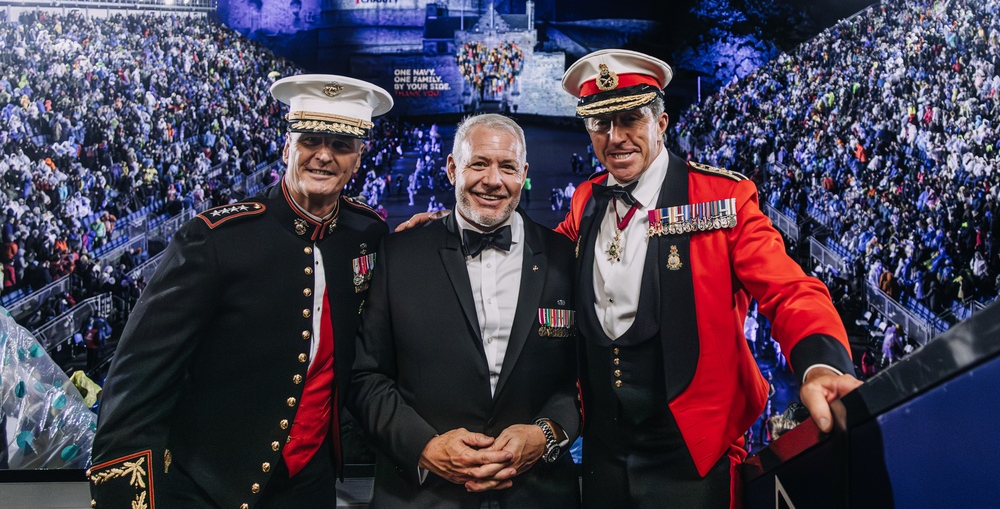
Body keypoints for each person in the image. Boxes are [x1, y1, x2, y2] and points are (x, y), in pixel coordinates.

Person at [553, 49, 862, 508]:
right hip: (603, 455)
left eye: (630, 119)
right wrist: (452, 226)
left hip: (693, 457)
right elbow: (540, 255)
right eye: (601, 123)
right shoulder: (587, 199)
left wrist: (821, 364)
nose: (615, 138)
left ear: (661, 122)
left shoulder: (723, 198)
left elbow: (789, 289)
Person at [88, 74, 393, 509]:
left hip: (311, 485)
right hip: (206, 486)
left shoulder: (368, 232)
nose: (324, 155)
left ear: (358, 158)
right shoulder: (215, 239)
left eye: (341, 145)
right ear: (288, 147)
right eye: (310, 140)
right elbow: (136, 382)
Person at [350, 114, 580, 507]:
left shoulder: (565, 259)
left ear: (523, 173)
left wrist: (545, 433)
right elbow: (365, 376)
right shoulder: (399, 255)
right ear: (453, 168)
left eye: (507, 167)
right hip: (422, 495)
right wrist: (424, 447)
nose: (493, 180)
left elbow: (583, 375)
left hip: (535, 493)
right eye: (479, 163)